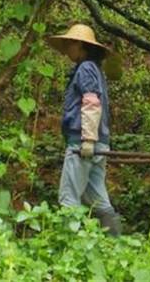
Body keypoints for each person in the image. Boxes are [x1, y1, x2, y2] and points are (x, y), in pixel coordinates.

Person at [47, 24, 122, 236]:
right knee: (97, 199)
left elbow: (91, 103)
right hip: (98, 143)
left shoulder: (86, 68)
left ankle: (67, 248)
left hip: (84, 142)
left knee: (68, 197)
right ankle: (116, 244)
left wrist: (87, 139)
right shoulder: (94, 69)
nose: (66, 50)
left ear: (80, 45)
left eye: (69, 44)